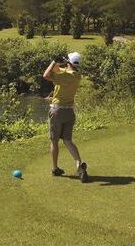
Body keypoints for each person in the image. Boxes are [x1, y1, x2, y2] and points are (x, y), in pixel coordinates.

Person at [42, 51, 88, 182]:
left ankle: (55, 168)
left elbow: (46, 75)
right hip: (69, 112)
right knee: (68, 140)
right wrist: (59, 63)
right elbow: (58, 70)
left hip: (57, 111)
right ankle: (79, 164)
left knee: (54, 141)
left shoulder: (65, 76)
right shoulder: (77, 75)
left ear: (68, 62)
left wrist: (54, 61)